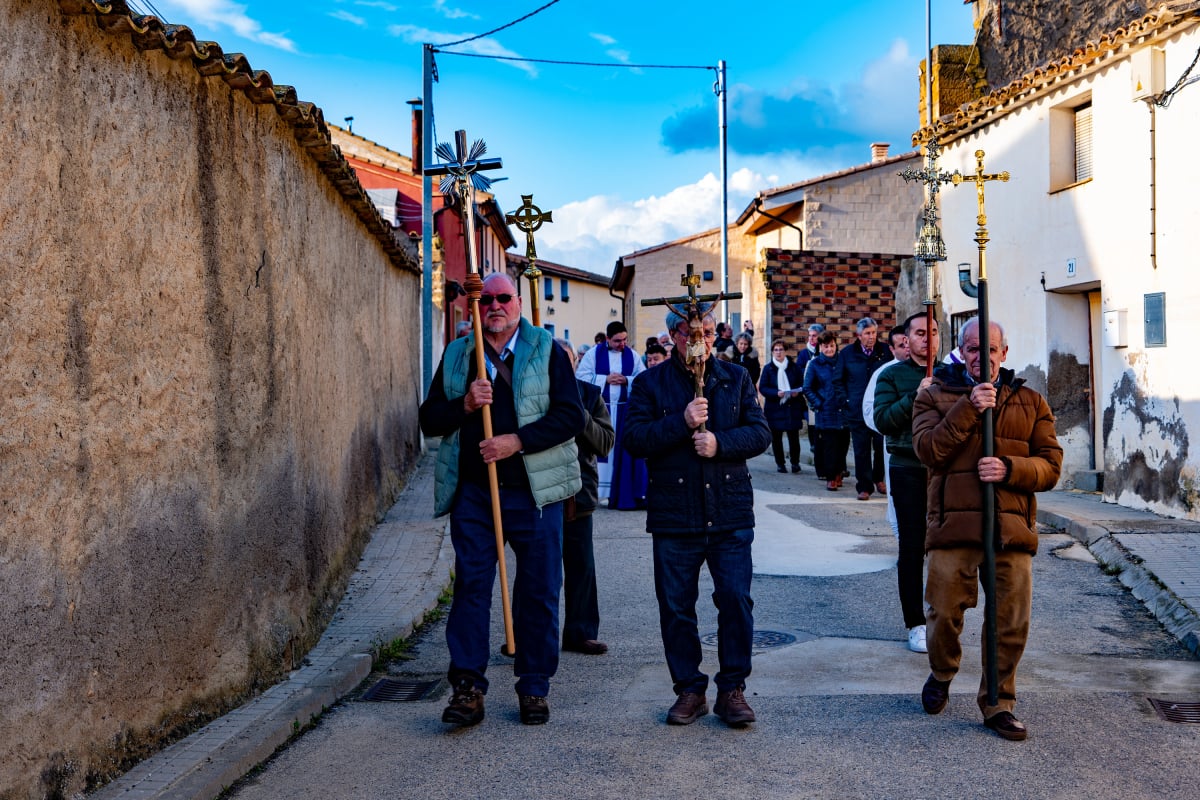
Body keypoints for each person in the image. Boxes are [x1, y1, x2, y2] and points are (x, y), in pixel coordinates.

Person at [418, 273, 584, 727]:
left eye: (503, 298)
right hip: (475, 493)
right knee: (471, 587)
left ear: (517, 304)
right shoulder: (458, 353)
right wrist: (466, 406)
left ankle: (533, 686)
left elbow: (571, 416)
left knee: (539, 591)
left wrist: (516, 441)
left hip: (536, 493)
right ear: (477, 304)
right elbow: (429, 419)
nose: (494, 305)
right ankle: (468, 688)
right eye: (486, 299)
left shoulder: (546, 350)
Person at [913, 318, 1062, 741]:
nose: (983, 357)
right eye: (974, 348)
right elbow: (929, 451)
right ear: (962, 351)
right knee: (943, 613)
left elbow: (1051, 466)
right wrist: (969, 407)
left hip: (1009, 529)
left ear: (1004, 352)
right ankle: (941, 673)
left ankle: (998, 702)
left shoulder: (1031, 402)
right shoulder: (935, 396)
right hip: (953, 527)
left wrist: (1011, 468)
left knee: (1010, 621)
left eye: (991, 348)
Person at [623, 303, 771, 728]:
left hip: (728, 510)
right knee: (676, 606)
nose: (701, 340)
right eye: (692, 333)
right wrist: (681, 424)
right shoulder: (650, 383)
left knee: (736, 601)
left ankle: (732, 689)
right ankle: (689, 689)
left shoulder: (735, 377)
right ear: (674, 337)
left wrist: (719, 443)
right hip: (675, 513)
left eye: (707, 331)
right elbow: (634, 439)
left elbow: (760, 432)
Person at [872, 312, 940, 653]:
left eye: (932, 332)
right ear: (907, 339)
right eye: (919, 333)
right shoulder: (892, 375)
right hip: (908, 467)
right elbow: (883, 420)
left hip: (945, 470)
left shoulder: (951, 375)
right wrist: (916, 394)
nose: (926, 339)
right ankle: (915, 622)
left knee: (946, 547)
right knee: (913, 547)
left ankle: (943, 618)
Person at [557, 340, 616, 656]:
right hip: (540, 495)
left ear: (576, 362)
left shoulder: (590, 396)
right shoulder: (535, 393)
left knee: (581, 567)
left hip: (579, 493)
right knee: (537, 569)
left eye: (567, 360)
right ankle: (527, 634)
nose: (562, 367)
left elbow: (605, 443)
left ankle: (580, 632)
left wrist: (579, 415)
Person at [575, 321, 647, 509]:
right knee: (602, 451)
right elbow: (581, 377)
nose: (622, 344)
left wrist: (627, 380)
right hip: (601, 412)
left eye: (624, 340)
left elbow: (643, 379)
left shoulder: (633, 355)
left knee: (620, 453)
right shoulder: (593, 354)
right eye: (617, 341)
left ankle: (618, 493)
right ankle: (599, 494)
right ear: (607, 339)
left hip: (624, 410)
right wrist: (604, 379)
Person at [836, 317, 891, 501]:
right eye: (867, 333)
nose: (871, 337)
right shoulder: (847, 354)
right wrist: (846, 401)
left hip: (879, 408)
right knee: (861, 450)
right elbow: (838, 380)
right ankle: (864, 486)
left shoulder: (884, 352)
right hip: (856, 410)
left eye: (874, 333)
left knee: (881, 446)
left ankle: (878, 478)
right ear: (858, 335)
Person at [862, 325, 910, 538]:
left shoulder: (932, 372)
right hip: (896, 443)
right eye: (901, 345)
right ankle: (901, 538)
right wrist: (892, 423)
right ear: (891, 349)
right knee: (898, 494)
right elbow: (869, 409)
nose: (907, 348)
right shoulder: (884, 373)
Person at [803, 330, 849, 491]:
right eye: (825, 346)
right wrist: (819, 403)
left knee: (843, 444)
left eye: (831, 346)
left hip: (843, 410)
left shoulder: (843, 361)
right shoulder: (815, 364)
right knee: (830, 446)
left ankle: (839, 473)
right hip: (826, 410)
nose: (829, 349)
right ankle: (830, 477)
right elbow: (807, 388)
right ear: (820, 347)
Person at [759, 340, 807, 474]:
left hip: (792, 406)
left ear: (785, 351)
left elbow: (801, 383)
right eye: (776, 350)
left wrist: (797, 392)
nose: (778, 352)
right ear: (772, 352)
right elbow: (763, 388)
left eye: (781, 349)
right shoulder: (768, 369)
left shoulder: (794, 367)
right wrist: (775, 393)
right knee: (777, 438)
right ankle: (780, 463)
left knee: (794, 437)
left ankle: (795, 463)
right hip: (775, 408)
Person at [796, 323, 825, 475]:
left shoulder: (824, 350)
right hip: (809, 394)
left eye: (814, 335)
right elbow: (799, 370)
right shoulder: (804, 353)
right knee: (813, 425)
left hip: (824, 393)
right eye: (810, 335)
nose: (811, 338)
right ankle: (815, 450)